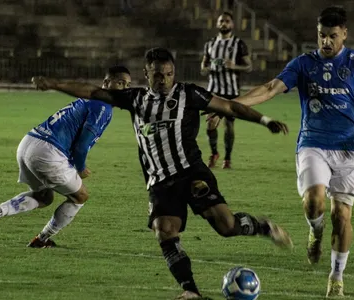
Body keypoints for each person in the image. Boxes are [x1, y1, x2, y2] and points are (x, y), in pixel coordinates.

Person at [32, 47, 293, 300]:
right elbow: (92, 91)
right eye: (157, 75)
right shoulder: (135, 98)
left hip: (192, 173)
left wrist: (264, 120)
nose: (164, 80)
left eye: (169, 74)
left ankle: (262, 226)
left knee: (226, 227)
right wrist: (54, 83)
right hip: (160, 180)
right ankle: (190, 290)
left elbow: (230, 107)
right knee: (164, 231)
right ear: (147, 74)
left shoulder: (189, 94)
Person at [234, 6, 354, 297]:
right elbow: (270, 87)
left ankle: (336, 278)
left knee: (342, 216)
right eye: (321, 36)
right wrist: (231, 105)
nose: (326, 42)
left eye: (332, 36)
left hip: (350, 149)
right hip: (313, 144)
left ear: (344, 35)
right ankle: (315, 230)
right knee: (314, 202)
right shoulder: (303, 63)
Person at [0, 66, 132, 248]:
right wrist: (80, 167)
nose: (125, 88)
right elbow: (81, 146)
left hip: (29, 143)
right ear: (106, 83)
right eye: (120, 83)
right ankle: (41, 240)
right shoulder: (103, 107)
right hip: (49, 152)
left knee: (44, 197)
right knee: (80, 196)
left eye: (127, 84)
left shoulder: (88, 99)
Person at [201, 12, 252, 169]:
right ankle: (214, 153)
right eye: (221, 21)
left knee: (229, 126)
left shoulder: (239, 44)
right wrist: (210, 68)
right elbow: (203, 68)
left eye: (227, 21)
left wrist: (233, 66)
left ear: (232, 25)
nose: (224, 23)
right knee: (211, 124)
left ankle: (227, 158)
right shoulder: (209, 44)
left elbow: (249, 66)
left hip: (231, 92)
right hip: (213, 91)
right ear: (217, 24)